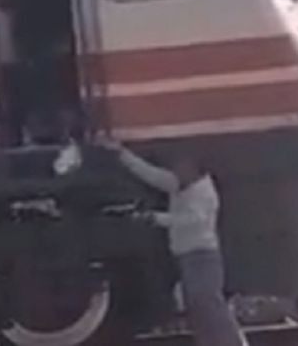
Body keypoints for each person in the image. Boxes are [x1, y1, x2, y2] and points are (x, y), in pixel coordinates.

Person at [100, 140, 247, 346]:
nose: (176, 169)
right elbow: (153, 176)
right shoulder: (181, 185)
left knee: (209, 304)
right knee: (198, 307)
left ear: (196, 168)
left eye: (181, 165)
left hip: (202, 256)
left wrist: (156, 218)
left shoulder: (204, 192)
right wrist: (123, 155)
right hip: (188, 256)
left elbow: (193, 219)